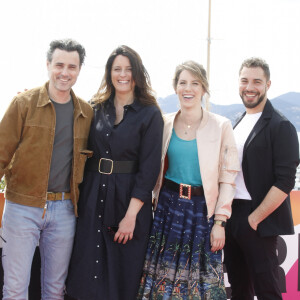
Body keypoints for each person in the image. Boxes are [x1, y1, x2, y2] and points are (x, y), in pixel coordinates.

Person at [66, 45, 164, 300]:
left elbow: (149, 168)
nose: (123, 74)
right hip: (92, 196)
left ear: (138, 74)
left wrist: (131, 215)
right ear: (109, 73)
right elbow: (72, 136)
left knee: (124, 273)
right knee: (86, 270)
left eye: (129, 69)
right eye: (117, 69)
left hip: (129, 201)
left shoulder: (150, 113)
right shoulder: (94, 108)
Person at [138, 61, 239, 299]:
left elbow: (228, 179)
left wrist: (220, 222)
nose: (188, 88)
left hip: (202, 213)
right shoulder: (164, 123)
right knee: (161, 280)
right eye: (183, 82)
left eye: (195, 83)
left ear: (204, 89)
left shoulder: (221, 125)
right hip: (167, 210)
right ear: (175, 87)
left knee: (200, 285)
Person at [0, 39, 93, 299]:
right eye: (59, 65)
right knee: (15, 288)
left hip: (64, 211)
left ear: (79, 70)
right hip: (22, 207)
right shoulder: (23, 104)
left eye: (72, 67)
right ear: (48, 65)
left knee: (54, 290)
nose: (65, 72)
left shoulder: (86, 113)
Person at [223, 57, 300, 300]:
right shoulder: (239, 122)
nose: (250, 87)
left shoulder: (281, 126)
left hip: (258, 220)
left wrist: (253, 219)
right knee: (239, 290)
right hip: (231, 214)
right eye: (245, 80)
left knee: (268, 291)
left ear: (268, 84)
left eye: (257, 81)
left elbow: (285, 181)